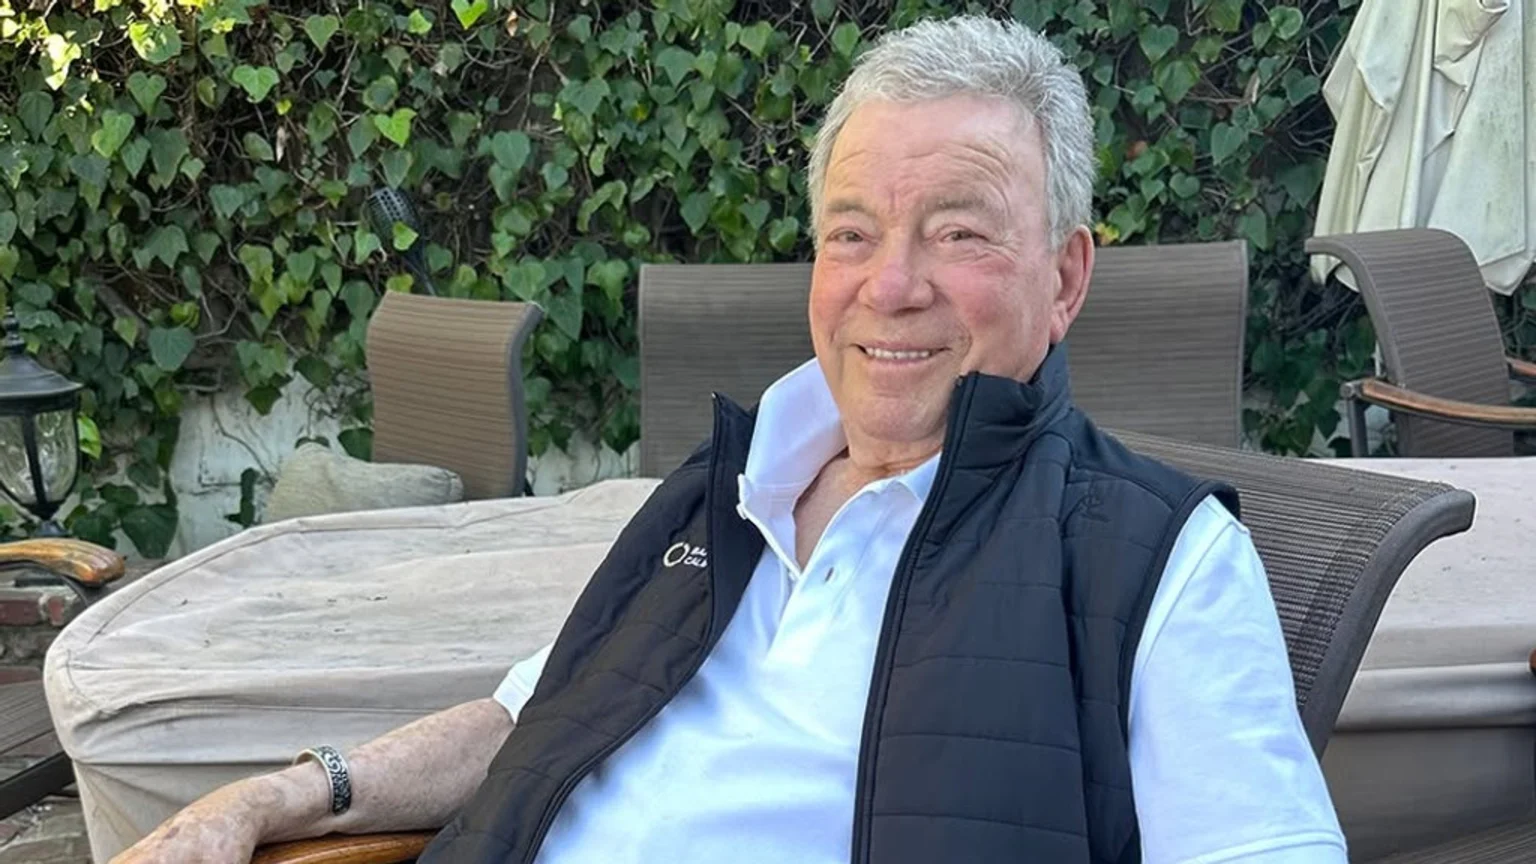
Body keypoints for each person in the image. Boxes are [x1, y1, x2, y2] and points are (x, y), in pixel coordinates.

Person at [114, 15, 1346, 864]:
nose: (892, 285)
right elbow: (531, 712)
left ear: (1066, 277)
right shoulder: (733, 484)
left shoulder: (1158, 562)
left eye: (961, 233)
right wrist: (285, 794)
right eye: (852, 233)